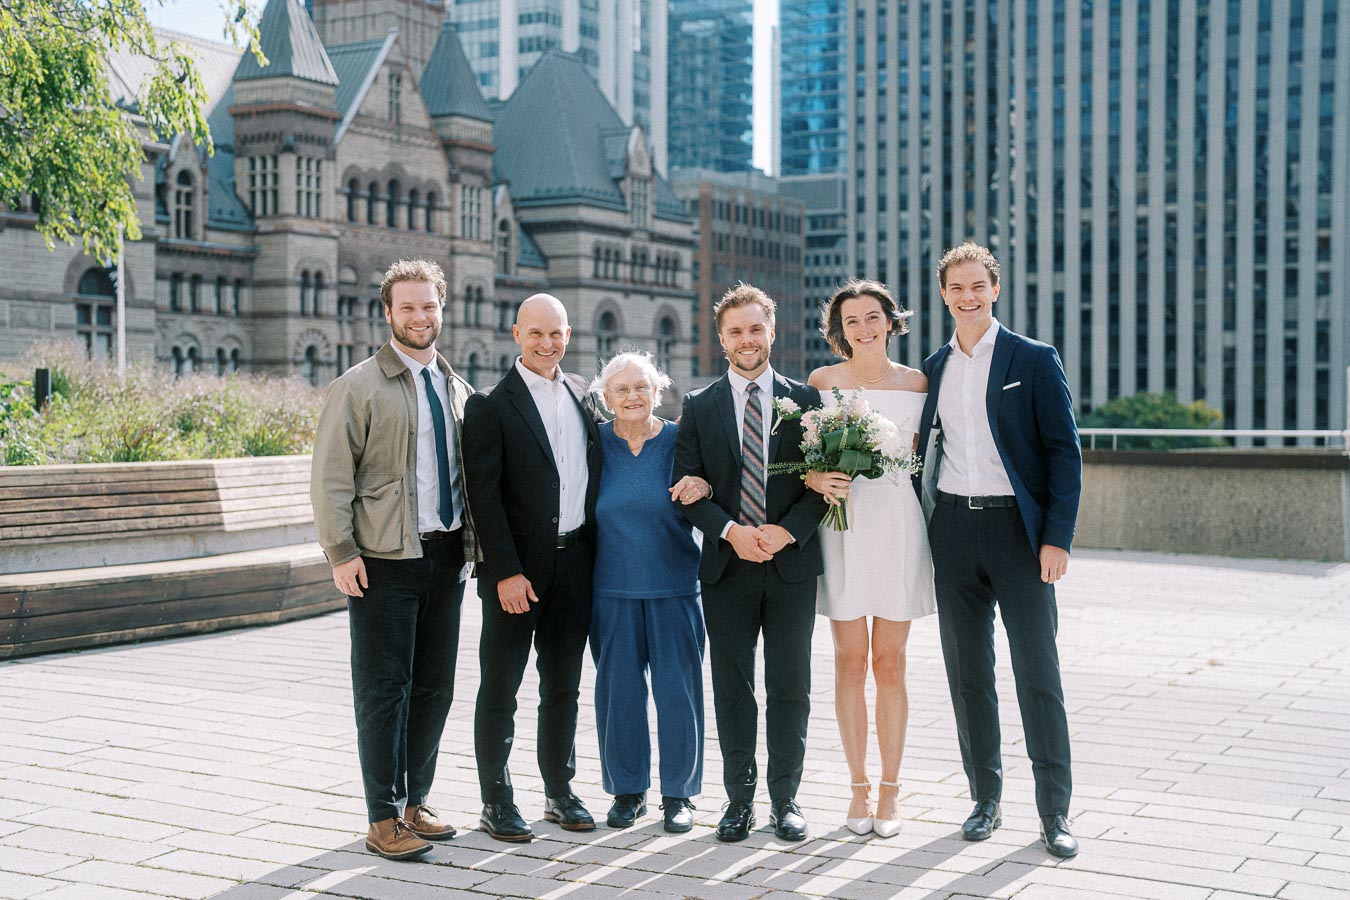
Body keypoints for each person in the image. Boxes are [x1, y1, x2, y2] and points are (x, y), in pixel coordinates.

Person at [915, 241, 1083, 858]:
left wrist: (1055, 539)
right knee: (968, 675)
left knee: (1038, 673)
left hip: (1019, 533)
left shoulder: (1033, 359)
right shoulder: (932, 369)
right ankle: (984, 801)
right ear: (943, 294)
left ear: (995, 289)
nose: (966, 296)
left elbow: (1065, 454)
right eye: (955, 288)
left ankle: (1055, 813)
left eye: (976, 286)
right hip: (954, 533)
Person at [311, 258, 476, 860]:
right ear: (388, 313)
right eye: (406, 306)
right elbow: (331, 476)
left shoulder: (456, 389)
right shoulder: (357, 386)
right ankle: (381, 816)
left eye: (428, 305)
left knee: (435, 687)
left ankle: (415, 803)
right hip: (384, 560)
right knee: (385, 688)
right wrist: (340, 552)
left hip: (446, 558)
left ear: (442, 310)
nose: (419, 316)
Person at [673, 283, 828, 843]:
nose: (747, 340)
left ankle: (786, 801)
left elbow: (824, 486)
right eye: (735, 331)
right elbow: (687, 488)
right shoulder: (699, 405)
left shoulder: (807, 403)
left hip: (791, 568)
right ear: (721, 340)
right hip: (727, 570)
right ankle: (737, 801)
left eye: (755, 329)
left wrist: (787, 533)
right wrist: (732, 532)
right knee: (732, 687)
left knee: (791, 686)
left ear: (771, 331)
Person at [462, 293, 602, 843]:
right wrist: (504, 572)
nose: (548, 344)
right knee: (500, 687)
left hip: (575, 566)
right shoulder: (490, 405)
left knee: (563, 686)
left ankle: (558, 789)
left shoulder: (584, 396)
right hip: (516, 575)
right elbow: (483, 498)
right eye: (537, 333)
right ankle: (495, 800)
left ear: (569, 334)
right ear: (516, 333)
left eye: (557, 333)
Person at [801, 279, 936, 838]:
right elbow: (801, 455)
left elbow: (929, 456)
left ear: (890, 319)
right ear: (840, 329)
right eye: (852, 320)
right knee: (850, 659)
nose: (864, 327)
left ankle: (891, 791)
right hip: (843, 527)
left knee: (891, 662)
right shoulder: (822, 383)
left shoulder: (917, 383)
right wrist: (814, 473)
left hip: (899, 526)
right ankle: (857, 788)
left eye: (873, 316)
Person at [588, 351, 709, 833]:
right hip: (610, 588)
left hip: (675, 586)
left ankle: (679, 794)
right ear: (606, 398)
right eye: (622, 389)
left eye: (642, 387)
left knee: (678, 693)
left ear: (658, 391)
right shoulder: (593, 443)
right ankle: (627, 790)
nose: (633, 396)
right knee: (618, 692)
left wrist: (702, 481)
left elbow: (711, 485)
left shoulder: (682, 442)